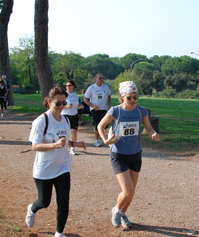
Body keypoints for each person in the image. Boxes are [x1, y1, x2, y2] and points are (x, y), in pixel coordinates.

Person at [25, 85, 87, 237]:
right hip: (44, 168)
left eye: (63, 103)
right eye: (58, 103)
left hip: (62, 166)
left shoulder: (65, 120)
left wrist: (76, 143)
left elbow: (64, 142)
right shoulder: (41, 121)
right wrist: (54, 145)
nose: (61, 107)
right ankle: (32, 209)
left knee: (63, 201)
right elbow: (35, 146)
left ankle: (59, 234)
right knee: (44, 202)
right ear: (48, 101)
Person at [97, 81, 160, 228]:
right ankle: (117, 210)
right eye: (129, 98)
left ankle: (123, 213)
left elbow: (149, 129)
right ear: (122, 97)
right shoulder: (115, 111)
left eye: (135, 97)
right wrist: (105, 139)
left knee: (131, 192)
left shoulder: (141, 111)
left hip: (135, 154)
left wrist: (153, 134)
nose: (132, 101)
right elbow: (100, 125)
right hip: (119, 154)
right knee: (128, 190)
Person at [84, 73, 112, 147]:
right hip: (94, 109)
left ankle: (99, 134)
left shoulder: (105, 87)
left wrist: (109, 104)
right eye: (100, 78)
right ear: (95, 79)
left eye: (102, 78)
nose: (101, 80)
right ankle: (97, 140)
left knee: (105, 125)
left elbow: (109, 96)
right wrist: (92, 106)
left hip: (104, 109)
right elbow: (85, 99)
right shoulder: (91, 88)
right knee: (97, 124)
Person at [63, 80, 83, 155]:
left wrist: (80, 106)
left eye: (69, 85)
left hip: (74, 115)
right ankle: (63, 147)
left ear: (73, 86)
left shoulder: (75, 95)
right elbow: (59, 106)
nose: (68, 87)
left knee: (74, 132)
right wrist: (66, 106)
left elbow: (78, 104)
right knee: (65, 132)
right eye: (66, 86)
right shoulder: (64, 95)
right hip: (65, 115)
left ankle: (72, 148)